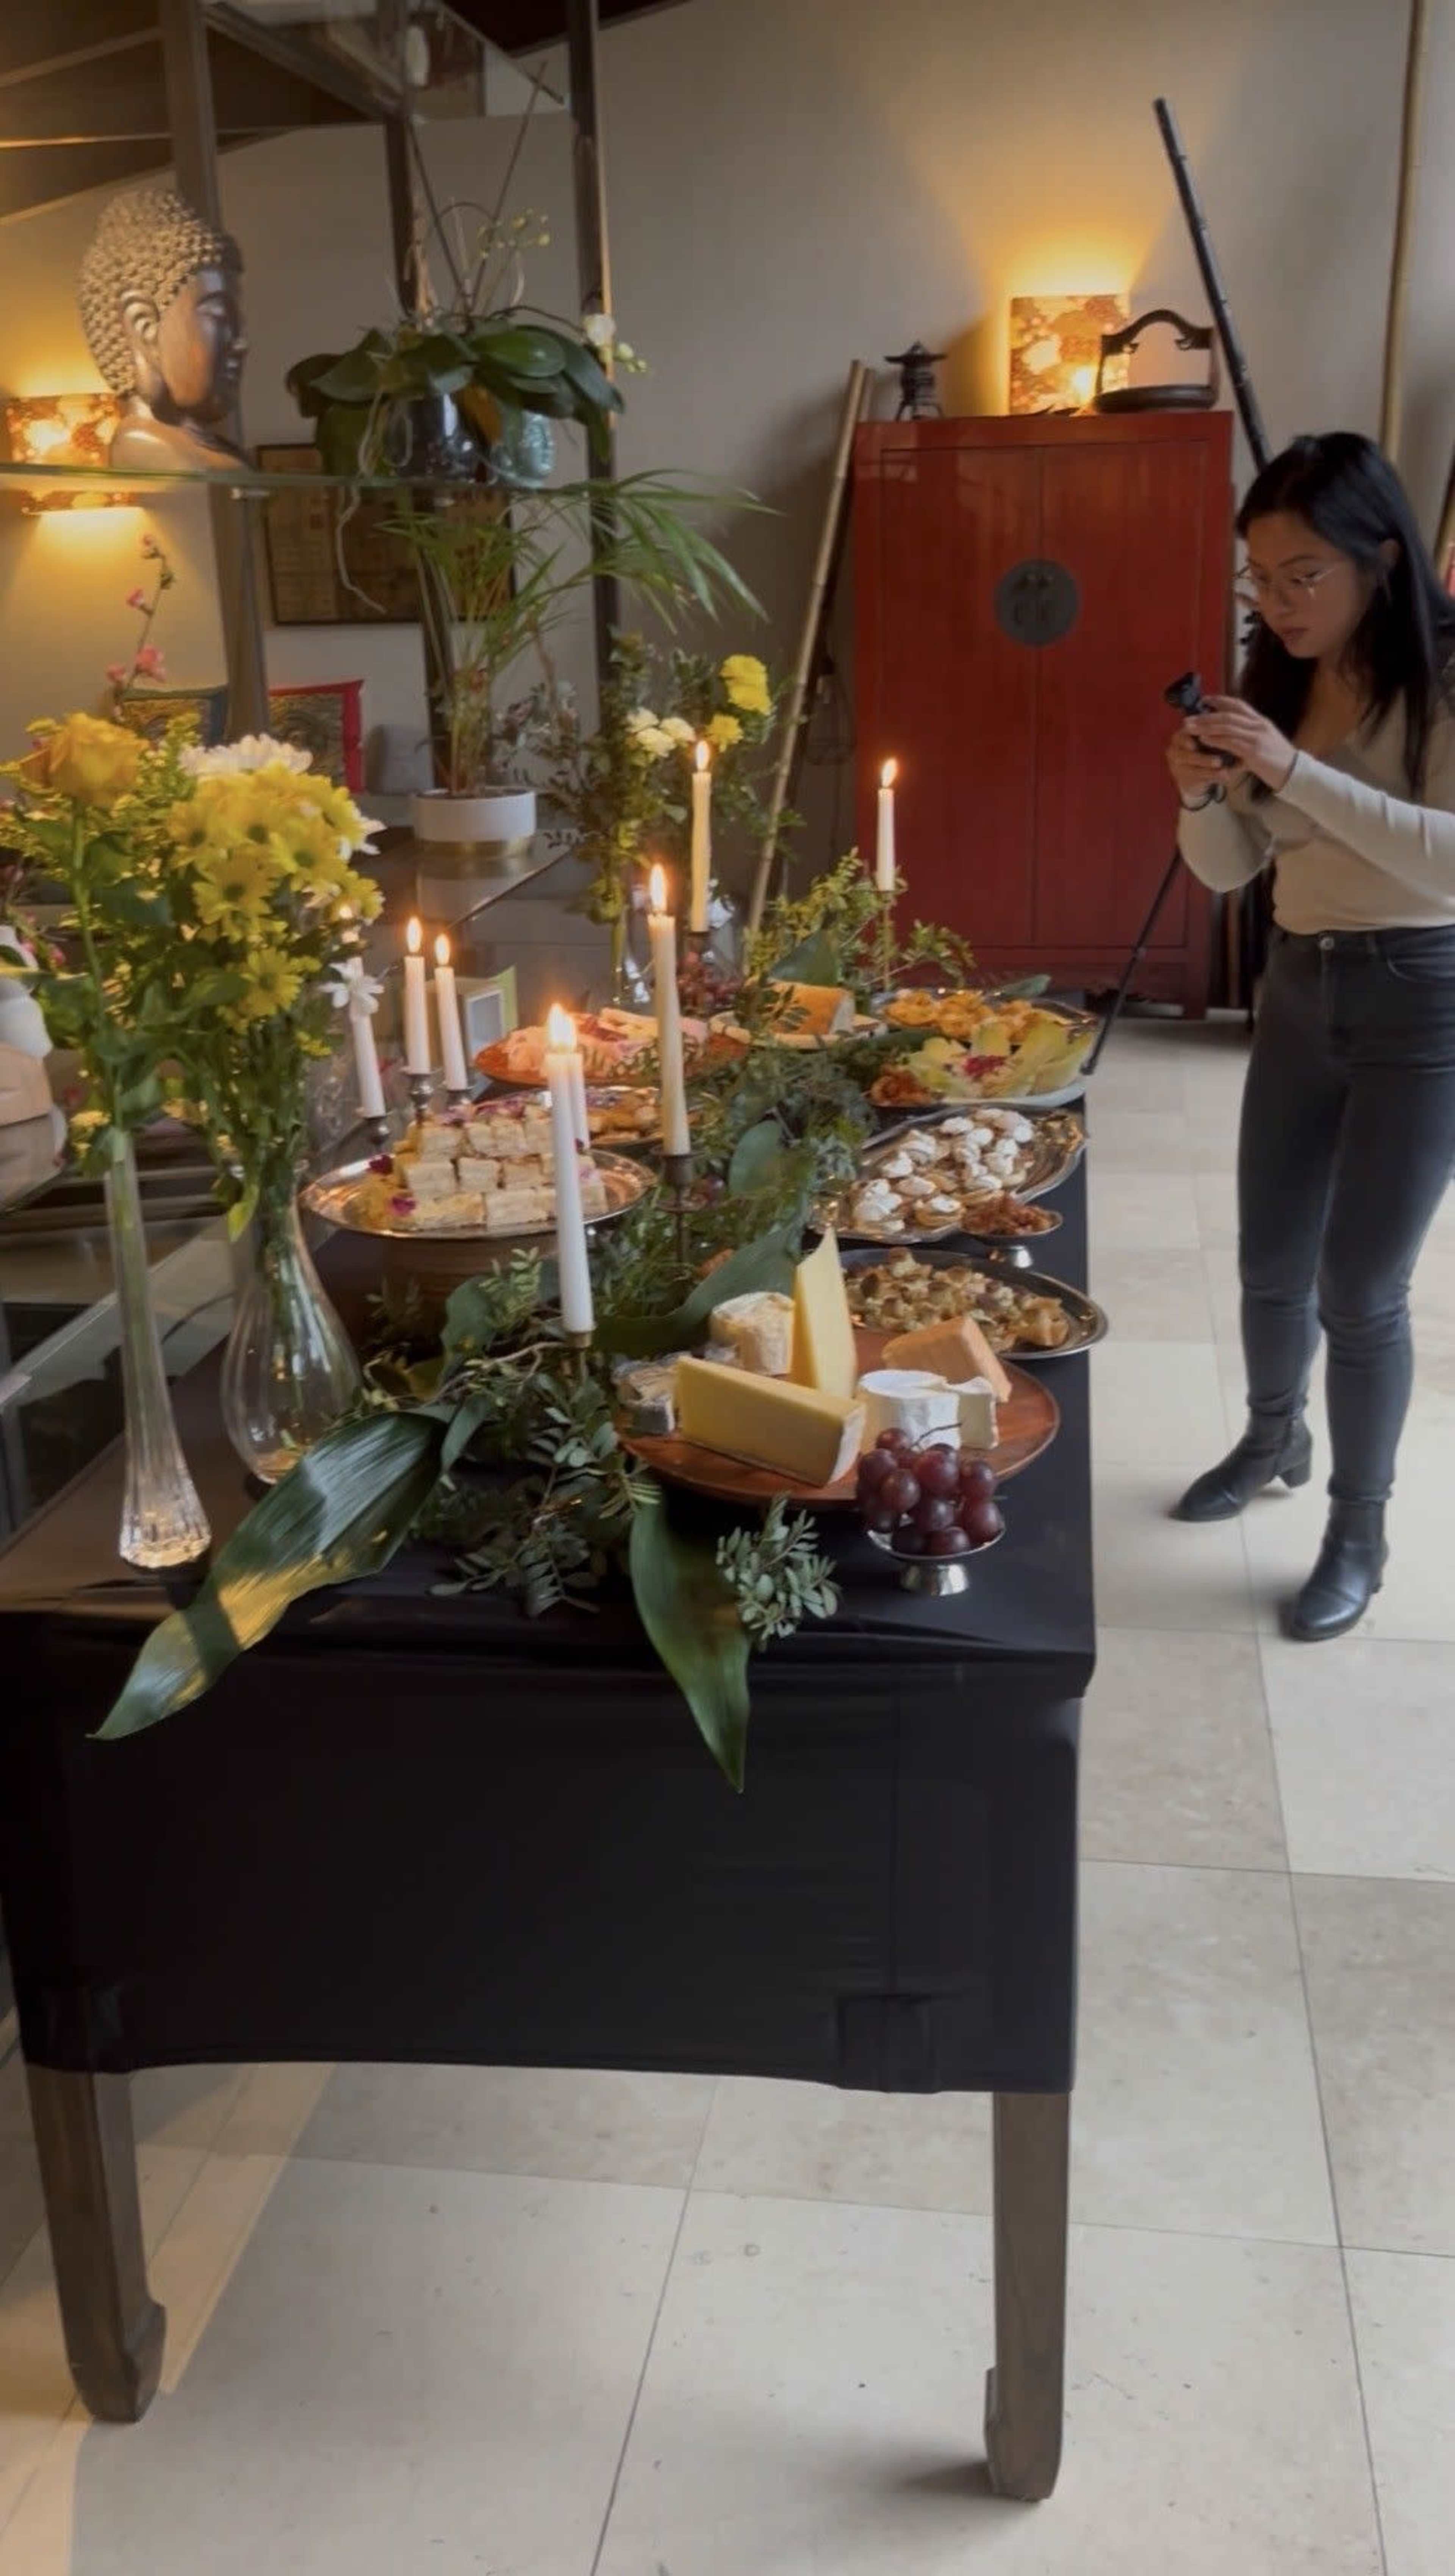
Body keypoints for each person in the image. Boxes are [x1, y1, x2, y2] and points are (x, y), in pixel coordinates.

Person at [1168, 430, 1455, 1639]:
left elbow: (1441, 856)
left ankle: (1358, 1530)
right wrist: (1197, 790)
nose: (1276, 604)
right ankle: (1270, 1436)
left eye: (1301, 576)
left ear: (1378, 560)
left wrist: (1295, 768)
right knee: (1267, 1256)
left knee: (1360, 1286)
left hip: (1423, 996)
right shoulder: (1275, 681)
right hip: (1298, 983)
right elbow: (1230, 869)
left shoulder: (1441, 674)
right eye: (1258, 578)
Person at [77, 184, 248, 473]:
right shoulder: (147, 448)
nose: (241, 344)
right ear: (144, 327)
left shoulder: (217, 452)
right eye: (219, 316)